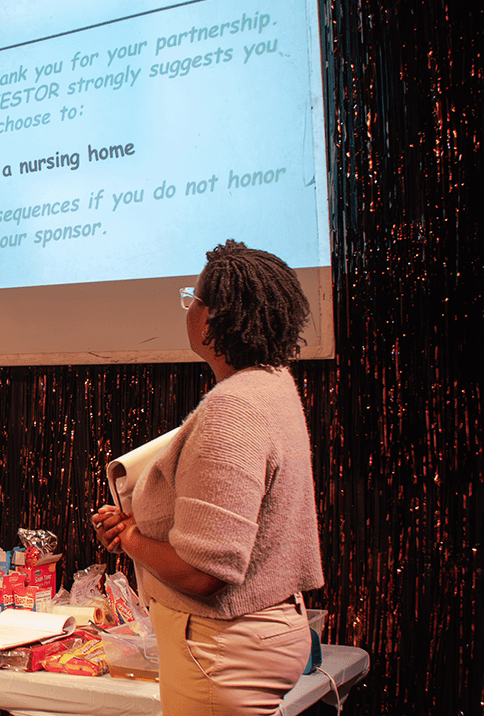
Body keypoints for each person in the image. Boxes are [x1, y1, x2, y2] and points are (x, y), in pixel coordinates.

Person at [92, 240, 324, 715]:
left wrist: (130, 538)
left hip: (222, 650)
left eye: (191, 299)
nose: (188, 310)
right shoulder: (273, 385)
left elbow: (205, 573)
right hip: (252, 636)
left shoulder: (233, 409)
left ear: (214, 318)